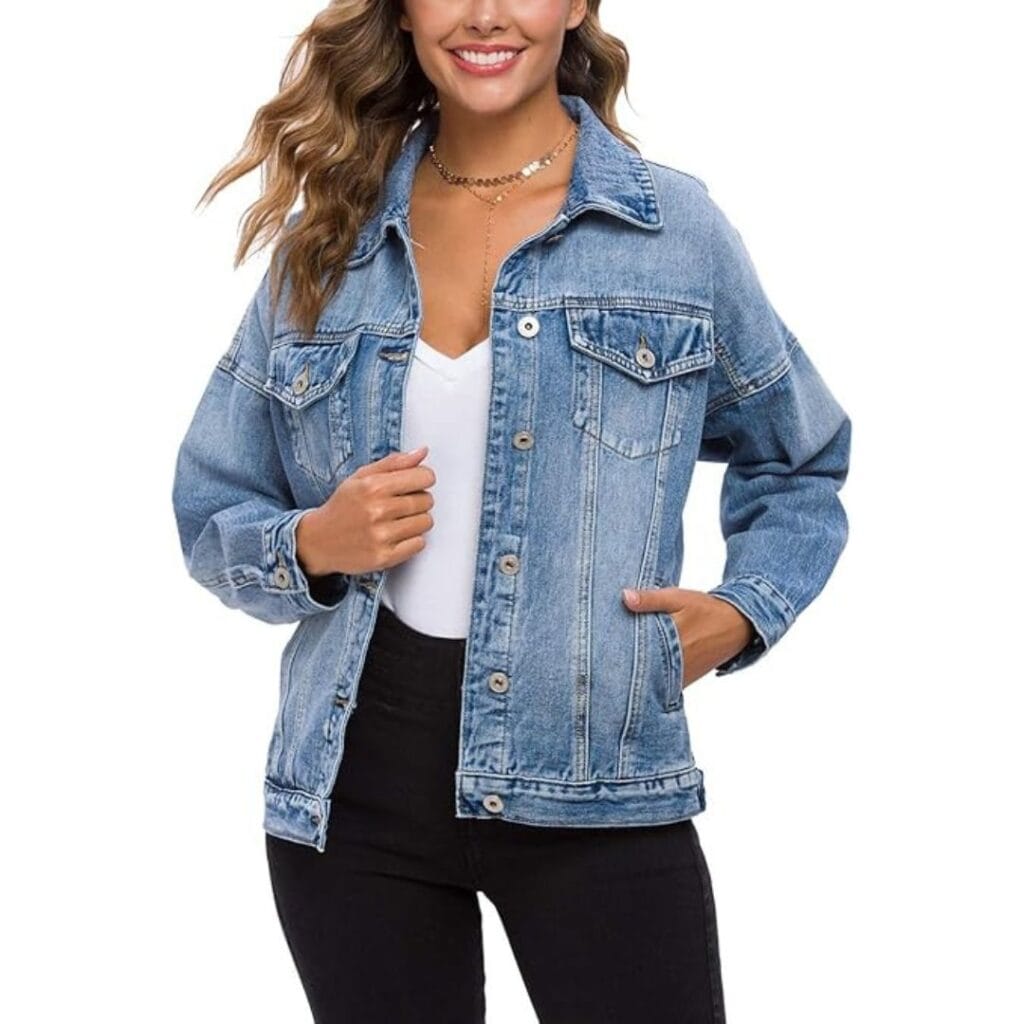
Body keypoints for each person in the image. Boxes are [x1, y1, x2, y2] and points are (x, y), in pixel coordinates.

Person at [172, 2, 852, 1021]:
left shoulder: (672, 233)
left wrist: (743, 610)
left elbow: (801, 457)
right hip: (353, 799)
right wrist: (312, 543)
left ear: (576, 4)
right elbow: (212, 499)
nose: (485, 13)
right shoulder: (331, 236)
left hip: (597, 784)